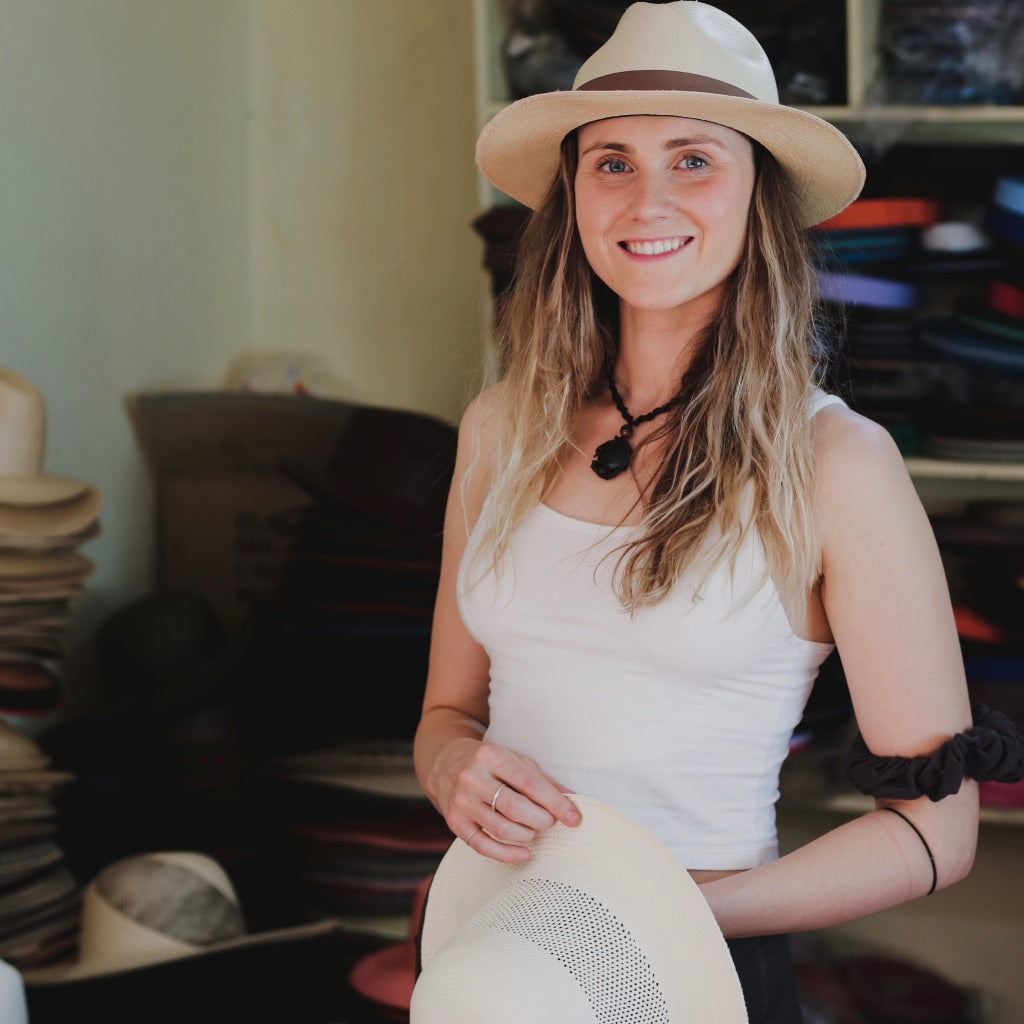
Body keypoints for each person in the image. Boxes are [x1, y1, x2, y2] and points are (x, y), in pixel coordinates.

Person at [412, 3, 1019, 1020]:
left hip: (698, 963)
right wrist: (453, 769)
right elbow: (446, 714)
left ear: (758, 198)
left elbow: (933, 833)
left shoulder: (835, 465)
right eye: (611, 162)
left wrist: (673, 909)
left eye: (693, 159)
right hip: (501, 959)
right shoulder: (499, 429)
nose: (646, 197)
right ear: (571, 195)